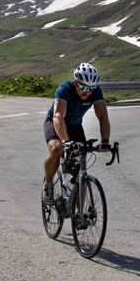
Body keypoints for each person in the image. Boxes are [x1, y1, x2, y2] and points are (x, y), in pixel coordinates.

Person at [43, 62, 111, 201]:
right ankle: (48, 184)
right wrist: (66, 142)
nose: (87, 91)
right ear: (75, 83)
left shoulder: (95, 91)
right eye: (83, 87)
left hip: (74, 127)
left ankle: (79, 216)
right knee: (57, 148)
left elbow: (103, 116)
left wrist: (105, 141)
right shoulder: (65, 89)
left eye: (91, 88)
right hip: (54, 123)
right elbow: (58, 117)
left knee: (80, 171)